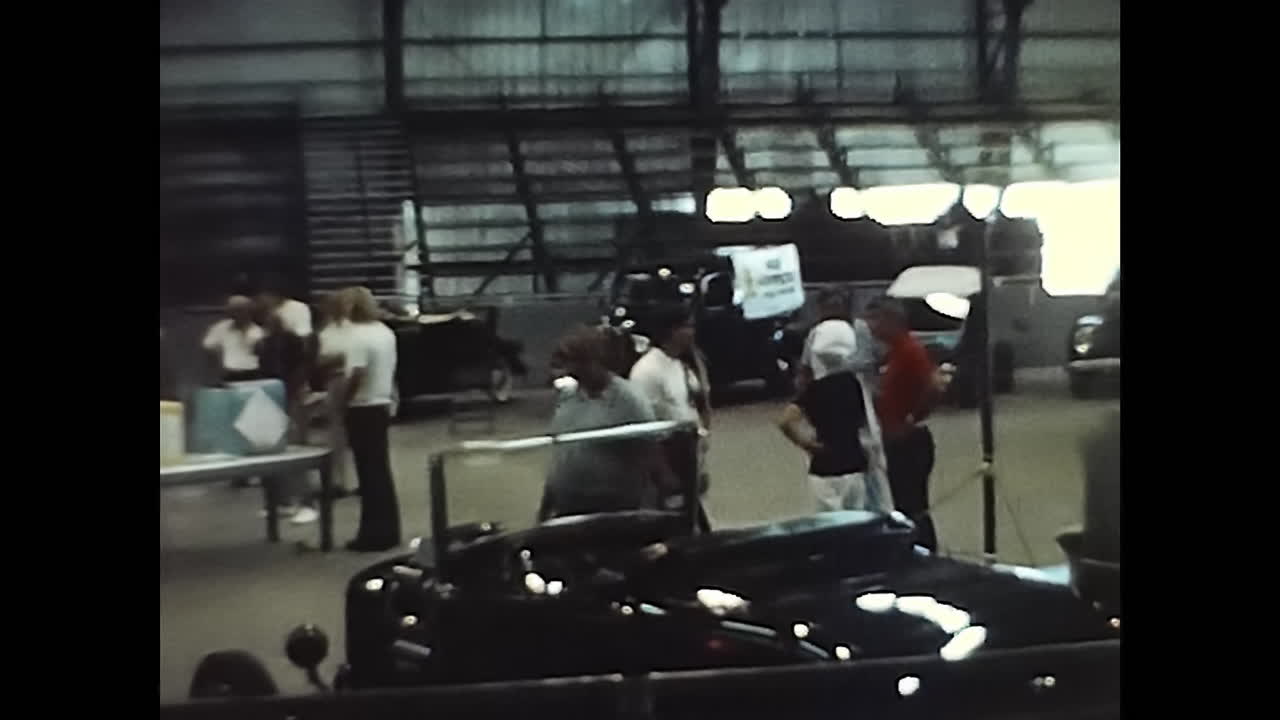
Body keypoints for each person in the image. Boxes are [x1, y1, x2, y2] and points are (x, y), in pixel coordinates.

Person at [539, 325, 674, 521]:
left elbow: (651, 453)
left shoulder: (629, 399)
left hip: (613, 508)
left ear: (594, 360)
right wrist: (546, 506)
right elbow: (560, 455)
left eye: (576, 362)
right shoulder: (568, 397)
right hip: (567, 505)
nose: (569, 369)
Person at [780, 296, 873, 512]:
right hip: (854, 464)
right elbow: (866, 423)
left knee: (829, 521)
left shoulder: (814, 390)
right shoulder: (855, 385)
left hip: (824, 466)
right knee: (856, 519)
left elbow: (785, 421)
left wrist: (808, 445)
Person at [866, 297, 942, 550]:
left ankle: (923, 550)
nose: (872, 326)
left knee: (913, 505)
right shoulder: (892, 353)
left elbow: (933, 386)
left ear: (892, 320)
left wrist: (913, 417)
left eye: (876, 319)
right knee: (903, 503)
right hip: (894, 438)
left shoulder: (909, 350)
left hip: (908, 441)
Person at [628, 307, 712, 510]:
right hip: (667, 456)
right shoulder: (647, 371)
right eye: (687, 327)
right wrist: (663, 472)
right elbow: (645, 427)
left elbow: (697, 403)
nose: (692, 332)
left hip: (689, 451)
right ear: (671, 331)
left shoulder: (681, 364)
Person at [340, 287, 402, 552]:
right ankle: (389, 530)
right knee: (380, 471)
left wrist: (342, 401)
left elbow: (357, 373)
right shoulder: (385, 332)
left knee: (367, 473)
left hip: (362, 406)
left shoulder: (356, 336)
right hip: (381, 402)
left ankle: (372, 534)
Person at [254, 302, 319, 525]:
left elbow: (301, 370)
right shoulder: (264, 344)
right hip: (271, 397)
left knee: (295, 450)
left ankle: (307, 503)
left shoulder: (292, 342)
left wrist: (291, 394)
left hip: (290, 397)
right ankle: (281, 501)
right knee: (272, 451)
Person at [202, 296, 265, 382]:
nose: (235, 314)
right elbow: (207, 345)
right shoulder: (220, 328)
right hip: (228, 374)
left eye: (240, 310)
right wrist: (217, 354)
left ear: (249, 312)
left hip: (252, 374)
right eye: (232, 311)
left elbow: (261, 354)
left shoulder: (258, 332)